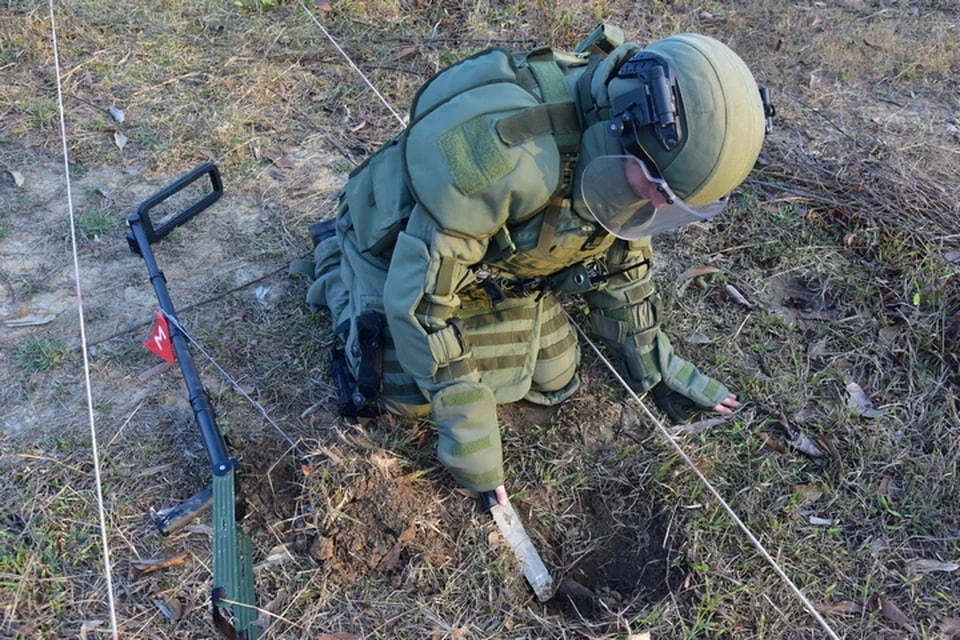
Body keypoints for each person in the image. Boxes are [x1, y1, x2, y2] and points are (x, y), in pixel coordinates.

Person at [294, 25, 772, 507]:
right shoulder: (504, 161)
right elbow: (422, 306)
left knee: (556, 377)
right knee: (399, 393)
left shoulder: (617, 145)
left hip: (486, 273)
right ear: (623, 126)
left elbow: (619, 265)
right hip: (396, 253)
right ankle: (334, 260)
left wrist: (656, 364)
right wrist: (472, 444)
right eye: (657, 188)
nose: (655, 206)